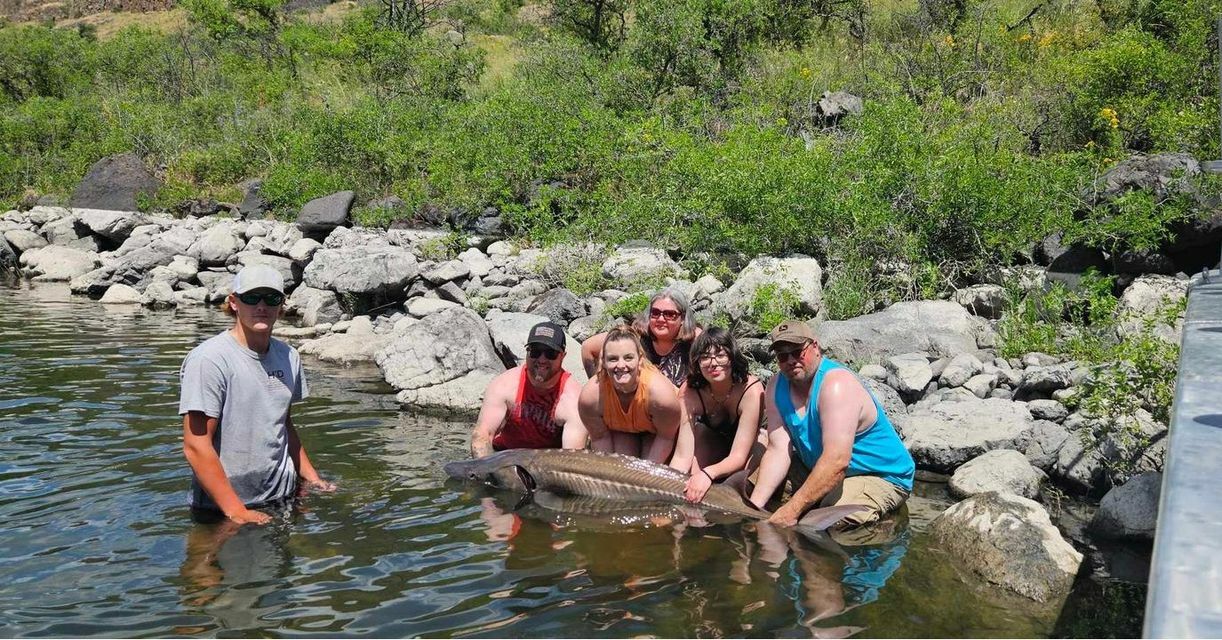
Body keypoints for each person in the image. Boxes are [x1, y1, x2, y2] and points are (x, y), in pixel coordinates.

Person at [179, 264, 334, 526]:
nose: (261, 306)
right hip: (224, 507)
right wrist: (236, 510)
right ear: (234, 303)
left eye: (271, 298)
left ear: (281, 305)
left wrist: (312, 478)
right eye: (251, 298)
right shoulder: (209, 360)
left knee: (279, 566)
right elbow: (195, 445)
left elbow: (284, 425)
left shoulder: (289, 356)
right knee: (205, 567)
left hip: (282, 497)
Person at [749, 320, 914, 530]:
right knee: (753, 485)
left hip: (878, 475)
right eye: (783, 356)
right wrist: (754, 510)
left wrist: (791, 510)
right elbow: (777, 450)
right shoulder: (775, 386)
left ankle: (884, 521)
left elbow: (836, 462)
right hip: (818, 466)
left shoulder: (836, 385)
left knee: (825, 524)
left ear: (815, 347)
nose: (791, 360)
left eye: (798, 352)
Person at [470, 321, 588, 458]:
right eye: (535, 351)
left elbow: (571, 459)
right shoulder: (504, 385)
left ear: (563, 356)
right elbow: (482, 435)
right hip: (503, 457)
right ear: (527, 352)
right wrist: (484, 470)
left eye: (550, 353)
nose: (542, 360)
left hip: (548, 465)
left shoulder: (574, 400)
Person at [676, 327, 765, 503]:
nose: (713, 363)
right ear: (696, 363)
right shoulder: (689, 391)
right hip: (713, 441)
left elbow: (738, 457)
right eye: (705, 357)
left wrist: (708, 474)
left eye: (720, 355)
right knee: (689, 482)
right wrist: (671, 484)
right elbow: (682, 455)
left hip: (746, 448)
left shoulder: (751, 390)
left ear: (732, 357)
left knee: (763, 441)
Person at [577, 324, 685, 468]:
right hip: (624, 431)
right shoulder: (591, 397)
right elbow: (600, 437)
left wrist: (644, 472)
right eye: (613, 359)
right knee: (620, 465)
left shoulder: (660, 395)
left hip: (661, 433)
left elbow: (665, 437)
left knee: (644, 471)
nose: (621, 365)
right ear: (603, 361)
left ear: (640, 360)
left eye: (628, 358)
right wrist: (610, 474)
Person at [581, 287, 700, 388]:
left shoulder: (693, 341)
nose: (661, 319)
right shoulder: (634, 338)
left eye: (669, 314)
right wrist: (599, 387)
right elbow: (588, 347)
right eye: (655, 313)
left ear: (683, 318)